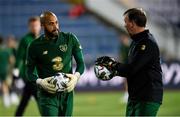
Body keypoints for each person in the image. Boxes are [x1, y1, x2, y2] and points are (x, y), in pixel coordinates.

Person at [96, 8, 163, 116]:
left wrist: (111, 65)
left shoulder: (147, 43)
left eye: (126, 22)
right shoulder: (136, 42)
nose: (124, 25)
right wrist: (114, 69)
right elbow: (130, 69)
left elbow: (132, 69)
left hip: (147, 97)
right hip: (135, 96)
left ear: (132, 24)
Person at [26, 11, 85, 116]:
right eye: (51, 23)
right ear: (42, 25)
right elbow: (29, 72)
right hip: (47, 94)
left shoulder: (70, 39)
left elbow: (81, 64)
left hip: (67, 93)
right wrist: (40, 82)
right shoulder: (34, 46)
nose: (55, 26)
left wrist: (75, 77)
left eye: (56, 22)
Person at [14, 16, 41, 116]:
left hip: (39, 74)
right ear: (29, 27)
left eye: (36, 25)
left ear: (40, 26)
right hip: (29, 75)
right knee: (41, 99)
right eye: (32, 26)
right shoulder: (25, 40)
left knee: (24, 100)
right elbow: (19, 57)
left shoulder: (43, 39)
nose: (34, 28)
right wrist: (15, 71)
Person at [0, 36, 12, 108]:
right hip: (5, 70)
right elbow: (11, 60)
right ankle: (7, 101)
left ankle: (7, 101)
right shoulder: (6, 50)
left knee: (4, 86)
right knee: (5, 85)